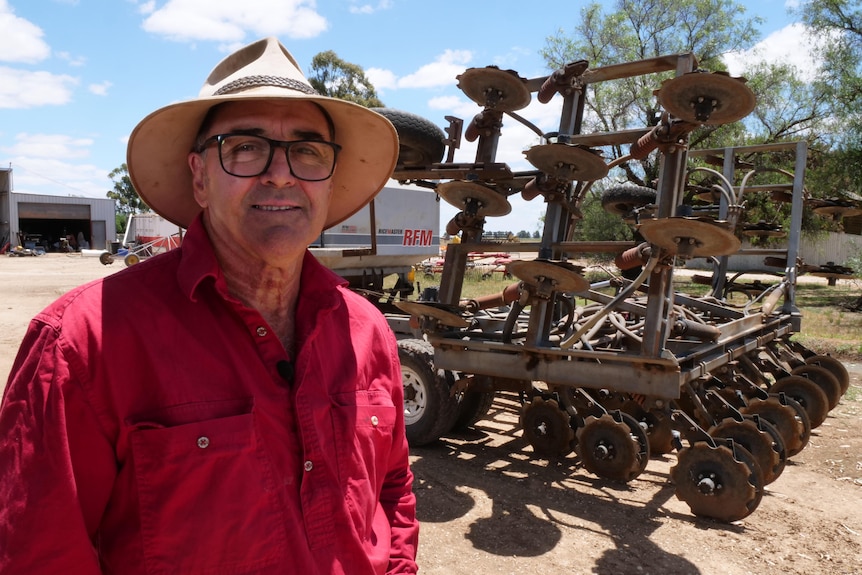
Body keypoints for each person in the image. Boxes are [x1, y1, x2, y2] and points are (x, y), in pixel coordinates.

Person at [0, 37, 418, 574]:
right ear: (199, 176)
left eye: (308, 151)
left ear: (330, 181)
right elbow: (39, 554)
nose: (281, 173)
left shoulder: (367, 330)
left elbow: (392, 490)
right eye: (246, 146)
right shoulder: (84, 342)